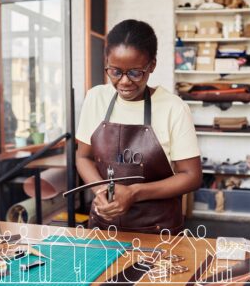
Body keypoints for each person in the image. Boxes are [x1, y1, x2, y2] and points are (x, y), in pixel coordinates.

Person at [76, 19, 202, 234]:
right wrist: (101, 190)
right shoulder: (96, 97)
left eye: (135, 73)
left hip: (158, 230)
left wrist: (134, 193)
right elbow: (83, 157)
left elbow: (191, 175)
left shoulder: (173, 107)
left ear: (151, 65)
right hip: (104, 226)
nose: (124, 82)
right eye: (115, 71)